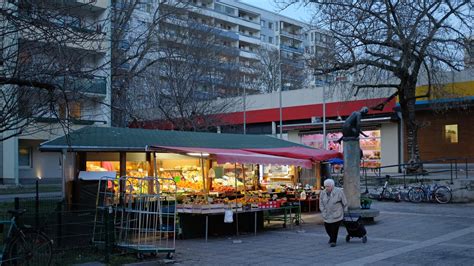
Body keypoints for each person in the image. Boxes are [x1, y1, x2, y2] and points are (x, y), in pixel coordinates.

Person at [319, 178, 348, 247]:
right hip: (327, 213)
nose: (326, 188)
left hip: (337, 213)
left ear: (332, 186)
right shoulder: (322, 192)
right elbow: (321, 203)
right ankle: (331, 237)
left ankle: (333, 241)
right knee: (327, 228)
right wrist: (323, 211)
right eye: (325, 186)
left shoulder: (339, 191)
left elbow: (344, 202)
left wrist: (345, 210)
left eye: (328, 186)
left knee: (334, 228)